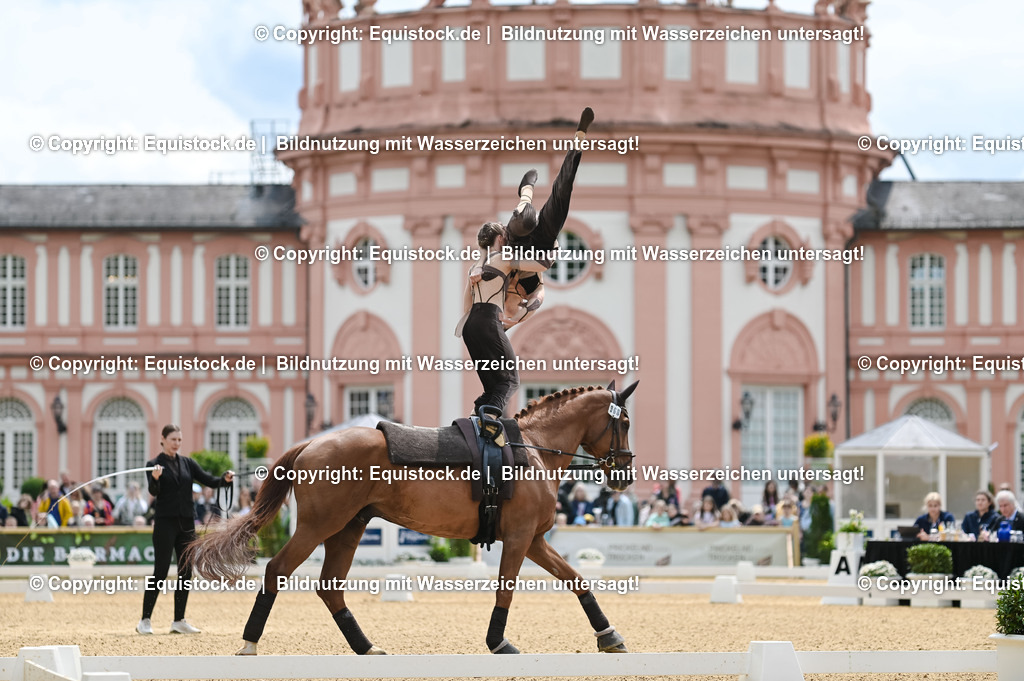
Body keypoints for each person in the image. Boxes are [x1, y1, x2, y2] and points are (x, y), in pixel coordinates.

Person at [501, 107, 595, 326]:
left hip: (516, 240)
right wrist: (517, 319)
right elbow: (539, 296)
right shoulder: (532, 291)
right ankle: (579, 139)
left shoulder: (498, 283)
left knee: (526, 220)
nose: (513, 304)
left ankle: (526, 191)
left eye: (510, 306)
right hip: (543, 243)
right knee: (563, 192)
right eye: (515, 306)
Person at [138, 424, 234, 636]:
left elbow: (208, 480)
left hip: (187, 524)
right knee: (160, 571)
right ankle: (145, 619)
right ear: (163, 439)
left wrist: (224, 480)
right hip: (165, 523)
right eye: (173, 439)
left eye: (179, 440)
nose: (177, 444)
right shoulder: (153, 464)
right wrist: (154, 478)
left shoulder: (188, 463)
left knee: (186, 571)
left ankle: (178, 620)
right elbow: (153, 491)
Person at [456, 222, 549, 416]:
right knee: (510, 380)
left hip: (469, 327)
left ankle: (473, 419)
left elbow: (466, 307)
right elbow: (544, 264)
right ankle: (490, 420)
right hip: (488, 321)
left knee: (491, 387)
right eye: (506, 236)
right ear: (499, 239)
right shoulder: (505, 258)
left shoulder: (474, 268)